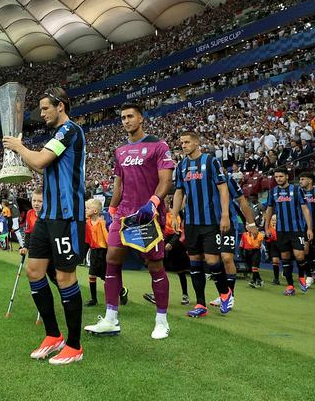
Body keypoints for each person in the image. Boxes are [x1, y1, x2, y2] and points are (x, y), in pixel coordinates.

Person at [2, 87, 85, 365]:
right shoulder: (55, 136)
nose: (42, 113)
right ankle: (53, 335)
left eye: (46, 108)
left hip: (66, 216)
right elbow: (41, 167)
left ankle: (74, 345)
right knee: (34, 270)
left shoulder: (69, 131)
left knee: (64, 277)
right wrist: (20, 156)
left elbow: (39, 159)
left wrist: (19, 146)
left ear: (60, 106)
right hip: (48, 216)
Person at [85, 102, 174, 338]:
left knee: (154, 265)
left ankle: (162, 321)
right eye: (123, 117)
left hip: (149, 216)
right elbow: (119, 183)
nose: (126, 121)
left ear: (141, 118)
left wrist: (153, 202)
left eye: (130, 116)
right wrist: (112, 207)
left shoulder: (159, 145)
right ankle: (111, 319)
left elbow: (166, 181)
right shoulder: (120, 151)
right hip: (124, 215)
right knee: (111, 258)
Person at [169, 130, 233, 317]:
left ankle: (225, 292)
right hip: (191, 223)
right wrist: (174, 216)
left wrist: (225, 215)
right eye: (182, 142)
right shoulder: (181, 166)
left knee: (213, 262)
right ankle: (201, 305)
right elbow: (179, 192)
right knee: (194, 263)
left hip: (210, 221)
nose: (184, 145)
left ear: (197, 143)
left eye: (187, 142)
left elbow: (223, 189)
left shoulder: (211, 161)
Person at [209, 173, 258, 307]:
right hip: (210, 225)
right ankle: (223, 294)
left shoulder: (227, 179)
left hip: (228, 223)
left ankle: (231, 296)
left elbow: (242, 200)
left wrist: (251, 223)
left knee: (226, 258)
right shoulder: (199, 179)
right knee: (214, 260)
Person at [263, 167, 314, 296]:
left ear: (287, 176)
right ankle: (290, 285)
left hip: (296, 230)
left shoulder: (297, 190)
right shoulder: (273, 192)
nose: (278, 179)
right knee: (285, 257)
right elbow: (269, 210)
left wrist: (309, 228)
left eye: (280, 176)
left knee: (299, 256)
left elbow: (305, 209)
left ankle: (302, 276)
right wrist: (267, 226)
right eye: (276, 177)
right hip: (281, 231)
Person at [84, 199, 109, 307]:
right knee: (92, 274)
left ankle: (122, 290)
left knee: (105, 277)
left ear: (94, 211)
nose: (85, 210)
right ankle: (93, 299)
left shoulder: (101, 222)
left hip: (103, 252)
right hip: (93, 251)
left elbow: (106, 237)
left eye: (87, 208)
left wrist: (110, 249)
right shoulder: (87, 222)